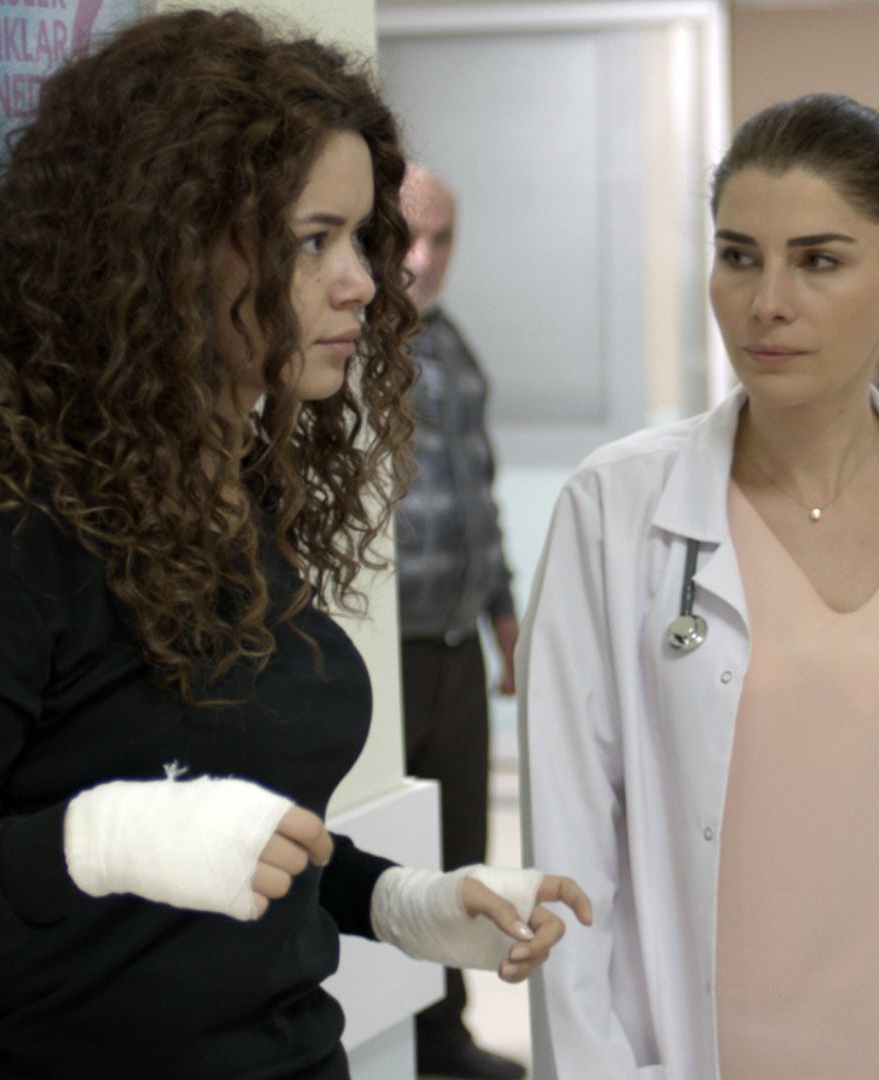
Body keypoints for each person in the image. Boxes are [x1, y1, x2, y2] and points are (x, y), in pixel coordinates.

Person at [0, 12, 589, 1079]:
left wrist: (398, 901)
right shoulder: (10, 530)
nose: (362, 282)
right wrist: (103, 840)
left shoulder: (235, 490)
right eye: (312, 240)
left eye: (359, 239)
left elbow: (234, 831)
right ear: (169, 245)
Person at [519, 93, 879, 1080]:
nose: (768, 302)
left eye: (819, 260)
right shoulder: (614, 510)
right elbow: (570, 872)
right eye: (739, 256)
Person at [393, 164, 529, 1080]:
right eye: (407, 235)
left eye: (442, 238)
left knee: (458, 852)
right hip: (383, 651)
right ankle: (394, 1044)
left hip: (454, 646)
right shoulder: (344, 346)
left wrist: (504, 616)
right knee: (388, 862)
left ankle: (444, 1039)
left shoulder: (452, 346)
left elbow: (478, 495)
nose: (424, 258)